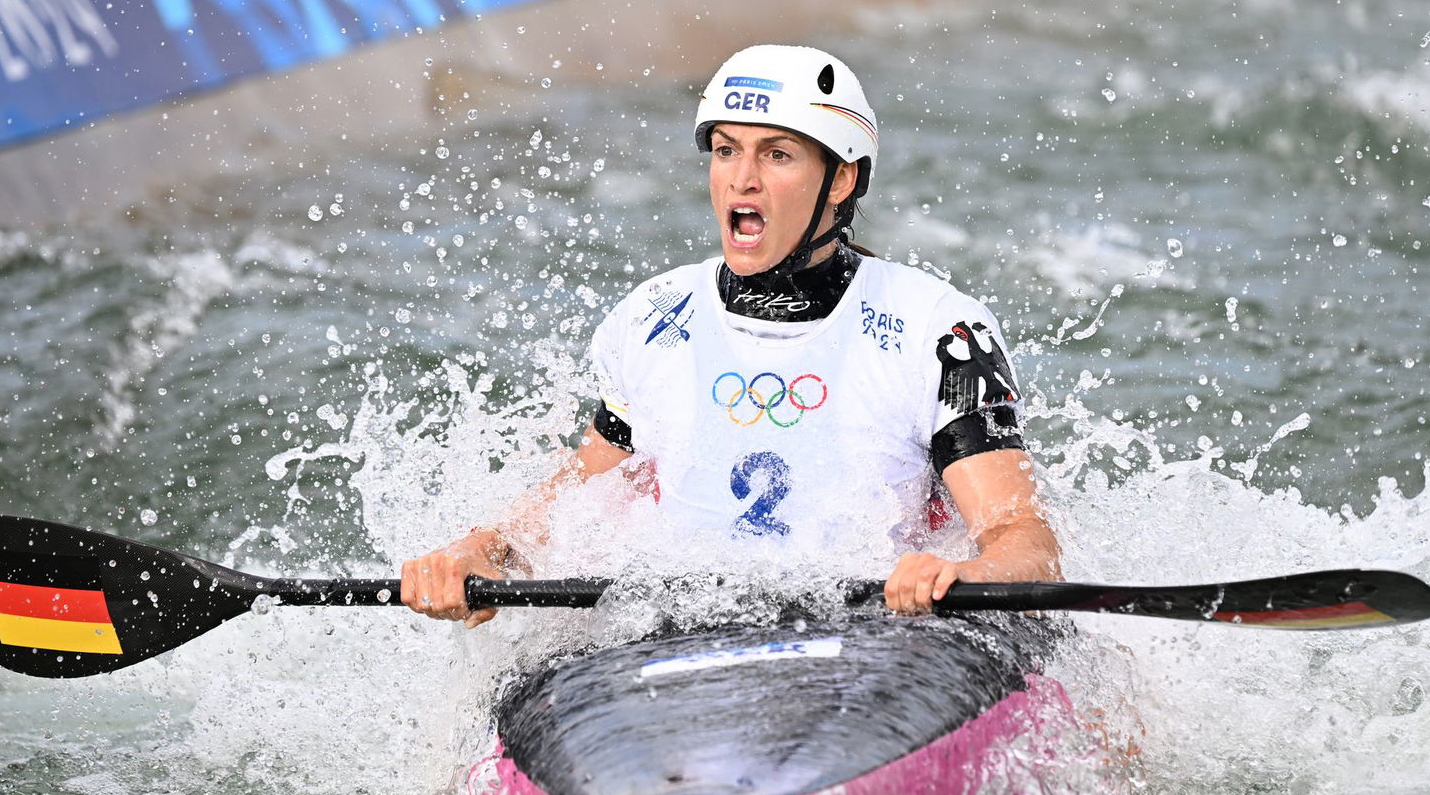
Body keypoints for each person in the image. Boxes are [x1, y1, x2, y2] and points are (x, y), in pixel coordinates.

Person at [402, 44, 1061, 626]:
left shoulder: (939, 329)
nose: (742, 179)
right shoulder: (654, 318)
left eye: (777, 155)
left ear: (841, 179)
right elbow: (571, 503)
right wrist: (483, 549)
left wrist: (965, 575)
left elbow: (1021, 536)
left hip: (872, 639)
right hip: (679, 632)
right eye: (726, 151)